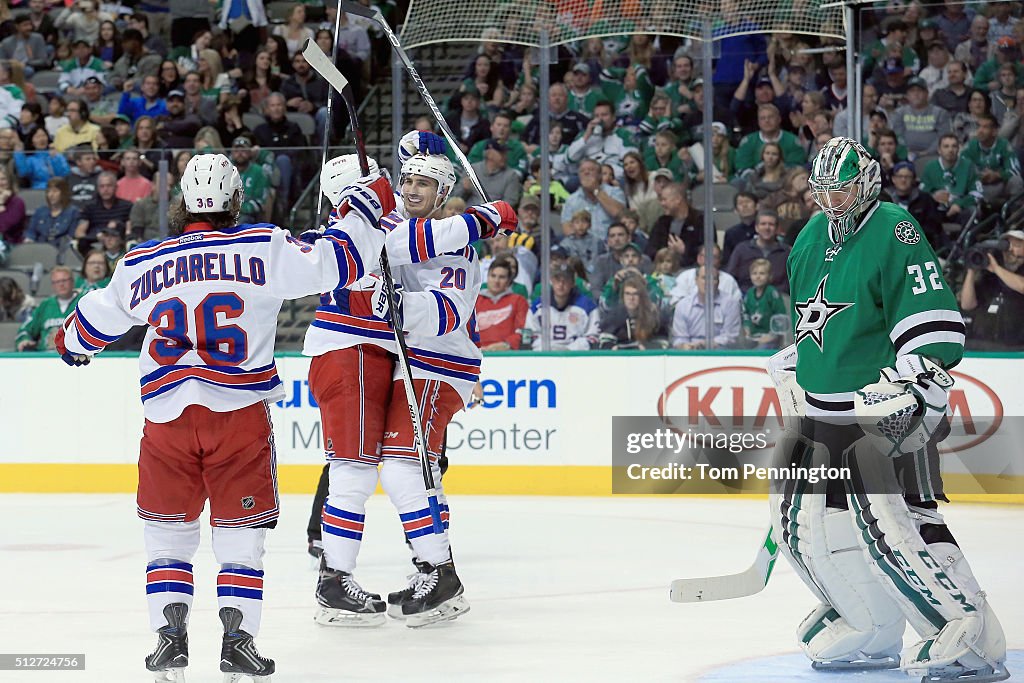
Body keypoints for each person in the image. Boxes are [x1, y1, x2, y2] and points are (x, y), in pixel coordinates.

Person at [56, 152, 392, 682]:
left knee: (168, 536)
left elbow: (84, 331)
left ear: (184, 202)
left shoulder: (141, 262)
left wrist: (70, 343)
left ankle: (170, 642)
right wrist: (370, 204)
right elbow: (340, 260)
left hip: (166, 420)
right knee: (239, 536)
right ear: (236, 199)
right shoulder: (263, 245)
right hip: (237, 414)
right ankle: (238, 644)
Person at [772, 136, 1007, 681]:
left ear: (869, 180)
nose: (834, 201)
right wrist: (800, 361)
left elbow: (929, 318)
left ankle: (971, 637)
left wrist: (917, 376)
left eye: (844, 188)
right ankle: (870, 626)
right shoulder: (811, 237)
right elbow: (817, 322)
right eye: (825, 191)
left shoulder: (895, 229)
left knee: (897, 522)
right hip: (822, 415)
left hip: (887, 410)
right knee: (808, 527)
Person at [304, 133, 517, 628]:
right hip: (407, 364)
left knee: (400, 471)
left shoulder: (457, 248)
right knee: (406, 472)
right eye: (408, 181)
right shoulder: (395, 227)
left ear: (443, 195)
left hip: (437, 366)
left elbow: (448, 312)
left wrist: (399, 306)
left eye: (425, 183)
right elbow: (391, 240)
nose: (413, 189)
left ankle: (439, 574)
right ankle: (432, 570)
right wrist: (480, 213)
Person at [958, 229, 1024, 347]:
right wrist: (971, 271)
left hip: (1015, 347)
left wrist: (996, 268)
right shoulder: (989, 275)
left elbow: (1021, 286)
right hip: (984, 343)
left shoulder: (996, 269)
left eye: (1017, 245)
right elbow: (967, 305)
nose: (1010, 249)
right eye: (1007, 244)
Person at [527, 262, 599, 350]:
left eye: (566, 280)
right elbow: (531, 336)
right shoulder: (538, 306)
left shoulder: (588, 307)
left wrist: (570, 350)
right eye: (557, 280)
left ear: (573, 283)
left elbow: (592, 338)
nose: (561, 284)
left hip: (576, 358)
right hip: (546, 357)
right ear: (551, 281)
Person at [670, 265, 740, 349]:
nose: (708, 282)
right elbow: (679, 337)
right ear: (696, 281)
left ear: (718, 282)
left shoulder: (730, 304)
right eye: (704, 278)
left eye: (713, 279)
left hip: (718, 351)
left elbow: (730, 337)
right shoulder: (683, 305)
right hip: (690, 351)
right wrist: (684, 345)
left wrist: (704, 344)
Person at [724, 210, 791, 294]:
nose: (767, 228)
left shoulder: (786, 252)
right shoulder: (741, 249)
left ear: (777, 229)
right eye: (763, 224)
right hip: (745, 296)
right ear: (756, 228)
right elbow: (729, 277)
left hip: (778, 297)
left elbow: (790, 282)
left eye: (771, 224)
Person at [15, 266, 81, 351]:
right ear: (52, 285)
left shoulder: (84, 303)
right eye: (56, 282)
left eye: (64, 280)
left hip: (77, 357)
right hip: (46, 358)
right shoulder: (45, 305)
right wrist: (24, 340)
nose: (61, 284)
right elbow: (25, 329)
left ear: (72, 281)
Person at [596, 274, 669, 349]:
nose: (631, 298)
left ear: (642, 296)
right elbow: (605, 343)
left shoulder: (655, 316)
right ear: (622, 296)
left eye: (635, 294)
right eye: (627, 294)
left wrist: (646, 347)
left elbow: (662, 343)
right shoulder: (613, 317)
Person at [645, 182, 703, 267]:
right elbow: (650, 249)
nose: (662, 204)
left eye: (665, 200)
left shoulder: (699, 221)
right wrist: (664, 254)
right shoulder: (662, 222)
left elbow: (707, 251)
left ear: (678, 199)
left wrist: (684, 251)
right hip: (663, 269)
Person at [475, 258, 529, 350]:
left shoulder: (519, 301)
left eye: (502, 277)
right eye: (493, 276)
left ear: (508, 281)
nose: (496, 281)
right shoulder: (474, 301)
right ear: (487, 277)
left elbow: (523, 331)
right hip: (477, 353)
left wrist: (506, 345)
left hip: (507, 355)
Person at [24, 177, 79, 254]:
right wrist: (29, 241)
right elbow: (31, 232)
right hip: (39, 249)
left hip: (61, 251)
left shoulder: (73, 212)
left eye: (55, 191)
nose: (51, 195)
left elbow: (71, 236)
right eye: (48, 191)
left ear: (63, 193)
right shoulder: (40, 211)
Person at [741, 258, 786, 349]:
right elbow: (745, 313)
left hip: (771, 338)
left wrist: (772, 335)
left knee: (762, 349)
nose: (758, 276)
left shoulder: (772, 293)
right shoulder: (749, 294)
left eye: (762, 273)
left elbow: (780, 316)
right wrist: (746, 327)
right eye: (754, 273)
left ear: (769, 276)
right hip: (753, 336)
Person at [0, 166, 26, 244]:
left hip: (10, 245)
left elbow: (3, 227)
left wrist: (1, 202)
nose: (0, 182)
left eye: (3, 179)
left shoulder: (17, 203)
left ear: (9, 181)